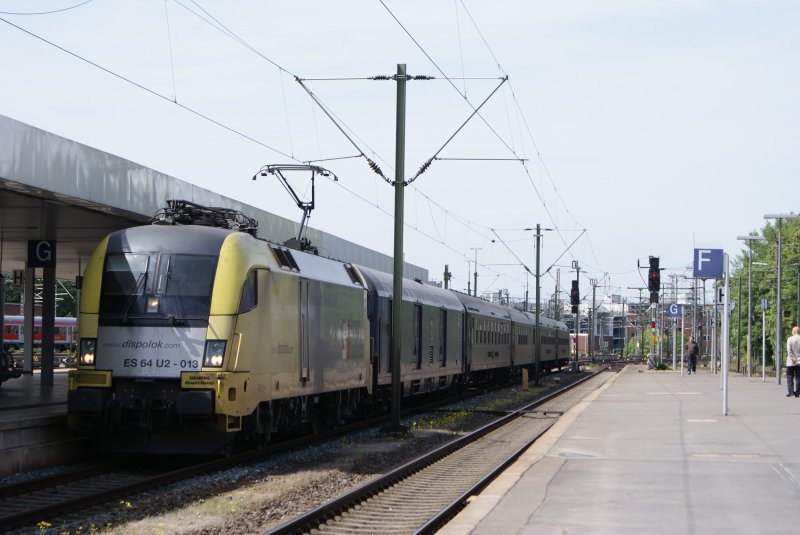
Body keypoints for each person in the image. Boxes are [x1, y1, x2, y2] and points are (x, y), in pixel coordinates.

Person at [785, 326, 800, 397]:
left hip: (791, 362)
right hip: (799, 362)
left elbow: (789, 351)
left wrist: (793, 360)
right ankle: (797, 392)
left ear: (794, 332)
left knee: (790, 376)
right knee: (798, 377)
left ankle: (790, 392)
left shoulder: (790, 339)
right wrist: (798, 360)